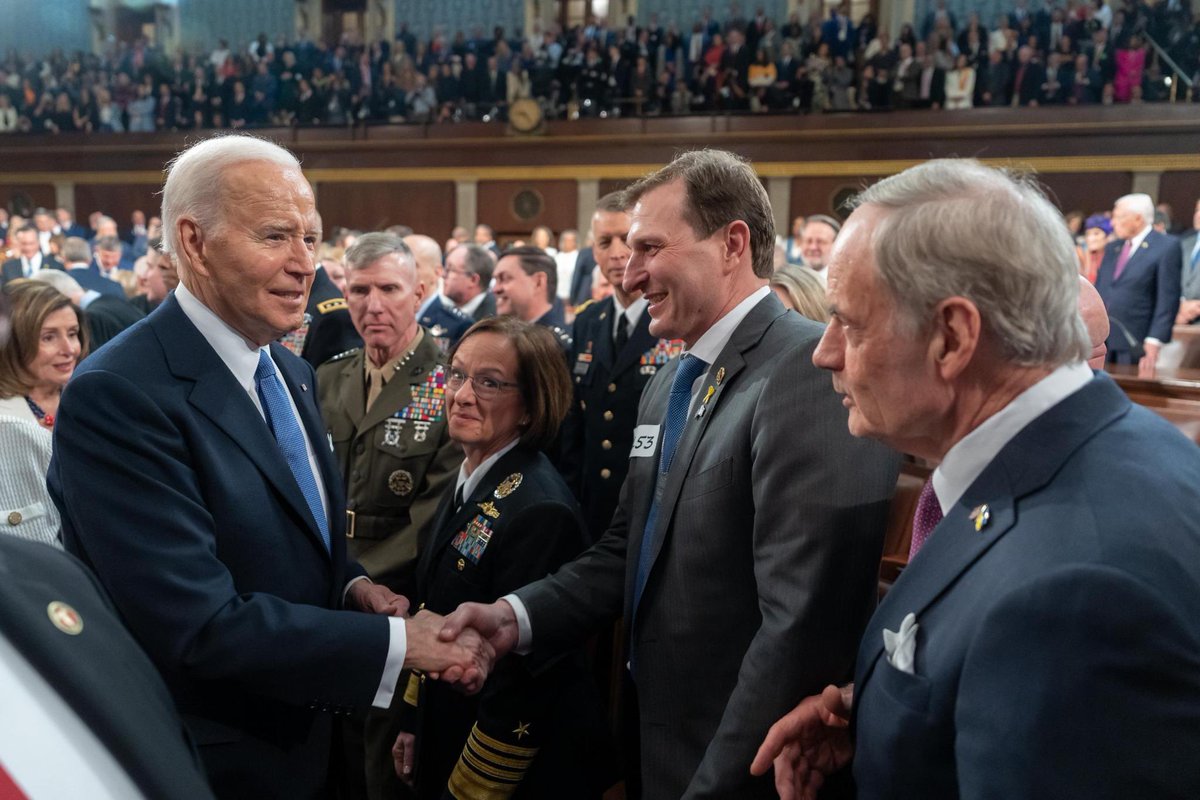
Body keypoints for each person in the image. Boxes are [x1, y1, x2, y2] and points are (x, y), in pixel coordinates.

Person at [440, 149, 899, 798]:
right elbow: (628, 548)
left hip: (741, 762)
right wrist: (515, 616)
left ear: (732, 244)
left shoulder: (804, 371)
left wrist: (717, 784)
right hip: (658, 742)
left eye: (650, 248)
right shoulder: (669, 381)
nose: (628, 276)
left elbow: (800, 625)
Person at [46, 134, 493, 798]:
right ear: (194, 243)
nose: (305, 266)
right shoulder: (120, 393)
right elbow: (197, 625)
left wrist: (351, 587)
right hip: (217, 759)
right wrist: (402, 646)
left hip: (316, 736)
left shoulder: (287, 370)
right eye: (277, 237)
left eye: (311, 240)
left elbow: (293, 540)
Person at [752, 159, 1200, 799]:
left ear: (954, 336)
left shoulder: (1076, 594)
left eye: (849, 323)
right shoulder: (1101, 444)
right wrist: (887, 715)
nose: (824, 352)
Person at [383, 316, 618, 799]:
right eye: (457, 374)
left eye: (488, 382)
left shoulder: (539, 506)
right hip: (445, 721)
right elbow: (434, 607)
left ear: (531, 406)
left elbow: (525, 682)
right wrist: (413, 719)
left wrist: (473, 787)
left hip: (499, 761)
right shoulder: (477, 473)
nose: (462, 394)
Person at [317, 232, 461, 599]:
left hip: (399, 591)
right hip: (325, 573)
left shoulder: (449, 386)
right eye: (360, 290)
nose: (374, 306)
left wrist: (358, 582)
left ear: (419, 295)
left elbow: (433, 517)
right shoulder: (326, 378)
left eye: (389, 289)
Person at [561, 191, 684, 539]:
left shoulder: (675, 321)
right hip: (591, 509)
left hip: (651, 510)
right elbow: (574, 428)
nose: (616, 252)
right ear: (593, 250)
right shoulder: (588, 322)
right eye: (604, 242)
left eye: (626, 240)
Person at [0, 280, 87, 547]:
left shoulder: (91, 400)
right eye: (49, 337)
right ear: (15, 343)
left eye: (72, 333)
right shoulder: (5, 423)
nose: (69, 349)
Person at [1095, 192, 1181, 376]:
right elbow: (1102, 289)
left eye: (1118, 217)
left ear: (1137, 218)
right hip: (1104, 339)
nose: (1113, 223)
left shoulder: (1166, 246)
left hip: (1136, 341)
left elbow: (1167, 299)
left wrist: (1154, 340)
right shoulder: (1113, 248)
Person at [492, 246, 572, 350]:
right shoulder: (503, 337)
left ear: (538, 282)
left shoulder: (555, 347)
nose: (495, 289)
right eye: (496, 280)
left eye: (505, 278)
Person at [444, 243, 497, 321]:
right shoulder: (445, 310)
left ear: (473, 280)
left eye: (450, 270)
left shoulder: (492, 319)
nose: (443, 275)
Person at [798, 214, 840, 286]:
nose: (813, 247)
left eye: (820, 241)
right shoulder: (790, 281)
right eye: (808, 241)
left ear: (836, 245)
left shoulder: (842, 283)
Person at [1079, 214, 1111, 284]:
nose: (1090, 238)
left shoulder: (1115, 257)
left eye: (1096, 233)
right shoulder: (1080, 254)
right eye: (1088, 234)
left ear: (1108, 236)